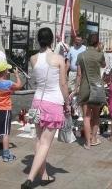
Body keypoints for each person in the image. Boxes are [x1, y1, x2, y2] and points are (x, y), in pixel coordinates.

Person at [22, 28, 70, 189]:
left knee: (38, 139)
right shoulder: (59, 59)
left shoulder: (33, 58)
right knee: (45, 143)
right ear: (52, 41)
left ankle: (43, 175)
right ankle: (30, 179)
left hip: (37, 102)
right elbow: (63, 84)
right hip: (53, 102)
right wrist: (67, 103)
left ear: (38, 40)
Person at [75, 33, 106, 149]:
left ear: (86, 42)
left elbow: (79, 74)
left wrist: (75, 88)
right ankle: (93, 139)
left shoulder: (81, 55)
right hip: (96, 87)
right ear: (98, 43)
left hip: (84, 87)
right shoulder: (100, 55)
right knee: (96, 116)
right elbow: (104, 65)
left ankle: (87, 143)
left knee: (86, 117)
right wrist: (100, 50)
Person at [0, 61, 22, 162]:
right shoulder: (8, 83)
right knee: (5, 133)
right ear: (4, 72)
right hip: (6, 110)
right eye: (7, 69)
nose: (8, 71)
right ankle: (6, 155)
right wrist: (16, 75)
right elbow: (19, 85)